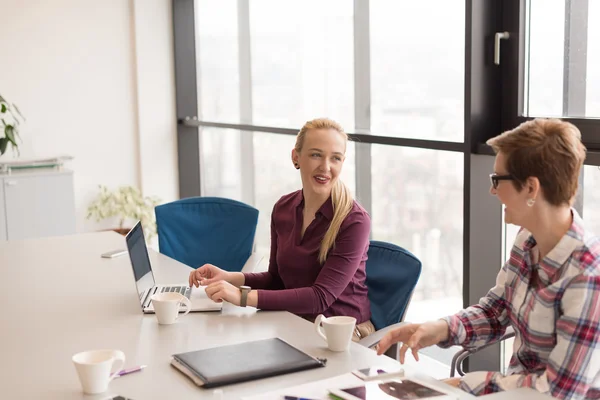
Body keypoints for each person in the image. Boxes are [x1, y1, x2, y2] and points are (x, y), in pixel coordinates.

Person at [377, 118, 600, 399]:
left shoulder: (588, 276)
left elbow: (558, 392)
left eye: (498, 180)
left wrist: (460, 386)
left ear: (531, 188)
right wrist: (439, 329)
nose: (492, 191)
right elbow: (495, 312)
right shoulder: (526, 240)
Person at [189, 118, 375, 340]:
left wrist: (241, 297)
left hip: (341, 332)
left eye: (335, 158)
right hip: (295, 320)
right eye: (316, 154)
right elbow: (276, 280)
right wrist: (231, 278)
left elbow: (319, 298)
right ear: (296, 157)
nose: (325, 167)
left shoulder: (354, 221)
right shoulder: (283, 208)